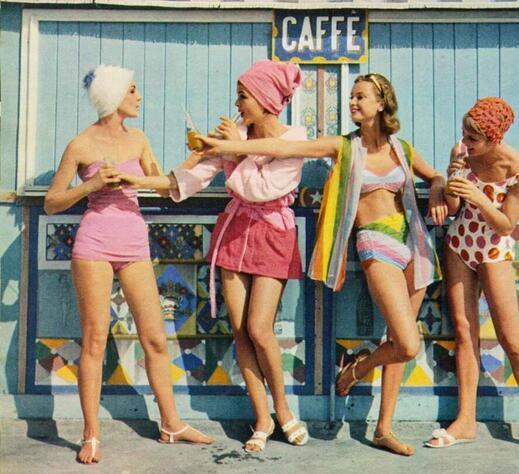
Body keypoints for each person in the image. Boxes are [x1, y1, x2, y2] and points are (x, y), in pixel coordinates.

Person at [197, 73, 448, 456]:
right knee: (408, 343)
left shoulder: (402, 149)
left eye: (361, 97)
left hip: (414, 243)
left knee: (399, 341)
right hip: (375, 243)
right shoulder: (344, 146)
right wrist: (229, 145)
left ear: (381, 103)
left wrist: (439, 189)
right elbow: (283, 148)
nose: (353, 102)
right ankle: (356, 369)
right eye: (351, 96)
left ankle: (383, 428)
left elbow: (434, 175)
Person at [117, 60, 310, 453]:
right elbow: (187, 180)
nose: (237, 104)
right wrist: (140, 180)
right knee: (239, 329)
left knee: (260, 328)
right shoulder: (234, 134)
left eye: (243, 96)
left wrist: (231, 151)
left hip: (274, 233)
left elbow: (262, 189)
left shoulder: (295, 138)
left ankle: (284, 410)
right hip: (235, 233)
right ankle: (262, 417)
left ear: (265, 99)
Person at [44, 64, 214, 465]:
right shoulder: (80, 144)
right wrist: (92, 185)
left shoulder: (138, 139)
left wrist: (199, 154)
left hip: (134, 242)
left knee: (155, 338)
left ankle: (171, 423)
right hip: (94, 243)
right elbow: (52, 202)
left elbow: (167, 186)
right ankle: (91, 435)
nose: (138, 97)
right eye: (132, 90)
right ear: (113, 95)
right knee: (95, 340)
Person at [424, 97, 519, 459]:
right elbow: (455, 210)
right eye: (464, 134)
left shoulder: (518, 170)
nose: (465, 143)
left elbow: (506, 225)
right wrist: (449, 183)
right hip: (460, 245)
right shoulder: (461, 152)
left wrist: (479, 196)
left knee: (512, 339)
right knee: (464, 332)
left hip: (493, 249)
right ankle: (465, 421)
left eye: (473, 138)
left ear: (494, 138)